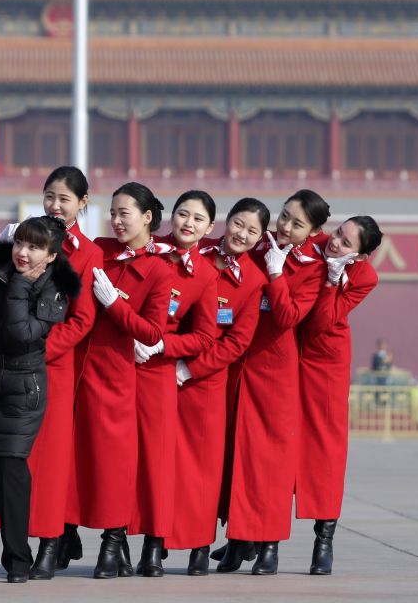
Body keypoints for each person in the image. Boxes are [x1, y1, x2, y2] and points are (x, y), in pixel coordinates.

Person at [0, 166, 102, 581]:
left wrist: (38, 351)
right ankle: (15, 543)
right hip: (9, 371)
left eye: (65, 199)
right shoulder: (25, 240)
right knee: (15, 461)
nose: (55, 205)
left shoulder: (87, 253)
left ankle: (51, 541)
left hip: (51, 369)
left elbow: (81, 320)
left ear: (82, 204)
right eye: (49, 196)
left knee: (50, 463)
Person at [216, 189, 329, 575]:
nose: (286, 227)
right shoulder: (255, 244)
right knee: (234, 456)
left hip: (275, 374)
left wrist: (278, 272)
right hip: (235, 365)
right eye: (284, 217)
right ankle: (235, 540)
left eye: (298, 224)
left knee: (271, 466)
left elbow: (287, 317)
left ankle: (269, 547)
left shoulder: (314, 268)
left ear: (312, 231)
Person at [69, 182, 172, 580]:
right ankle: (67, 532)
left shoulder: (160, 271)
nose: (115, 220)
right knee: (77, 460)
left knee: (114, 464)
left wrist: (114, 304)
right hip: (80, 369)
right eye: (112, 212)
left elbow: (152, 332)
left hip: (118, 376)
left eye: (124, 212)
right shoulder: (99, 250)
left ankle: (113, 542)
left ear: (147, 217)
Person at [0, 216, 78, 583]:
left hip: (23, 391)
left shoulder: (55, 287)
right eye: (20, 244)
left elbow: (22, 334)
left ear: (50, 256)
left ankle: (18, 561)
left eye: (34, 248)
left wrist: (17, 287)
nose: (23, 253)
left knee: (11, 474)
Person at [171, 198, 269, 575]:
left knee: (203, 474)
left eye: (252, 231)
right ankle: (155, 539)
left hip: (207, 384)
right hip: (164, 370)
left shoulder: (255, 281)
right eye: (238, 224)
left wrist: (190, 370)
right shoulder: (196, 253)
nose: (241, 235)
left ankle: (199, 546)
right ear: (224, 223)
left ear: (260, 238)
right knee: (164, 465)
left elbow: (236, 343)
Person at [132, 190, 219, 577]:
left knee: (158, 464)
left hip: (158, 371)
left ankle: (154, 545)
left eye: (198, 219)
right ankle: (112, 540)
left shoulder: (205, 274)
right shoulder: (147, 252)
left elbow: (204, 337)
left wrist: (162, 346)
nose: (188, 223)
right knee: (119, 458)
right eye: (183, 214)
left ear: (209, 228)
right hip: (118, 361)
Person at [295, 215, 384, 575]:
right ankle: (253, 536)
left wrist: (332, 279)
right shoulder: (311, 246)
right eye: (337, 233)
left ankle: (324, 539)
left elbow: (324, 320)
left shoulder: (364, 277)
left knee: (325, 451)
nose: (335, 243)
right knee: (275, 443)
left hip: (326, 363)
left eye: (346, 243)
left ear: (360, 255)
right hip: (289, 353)